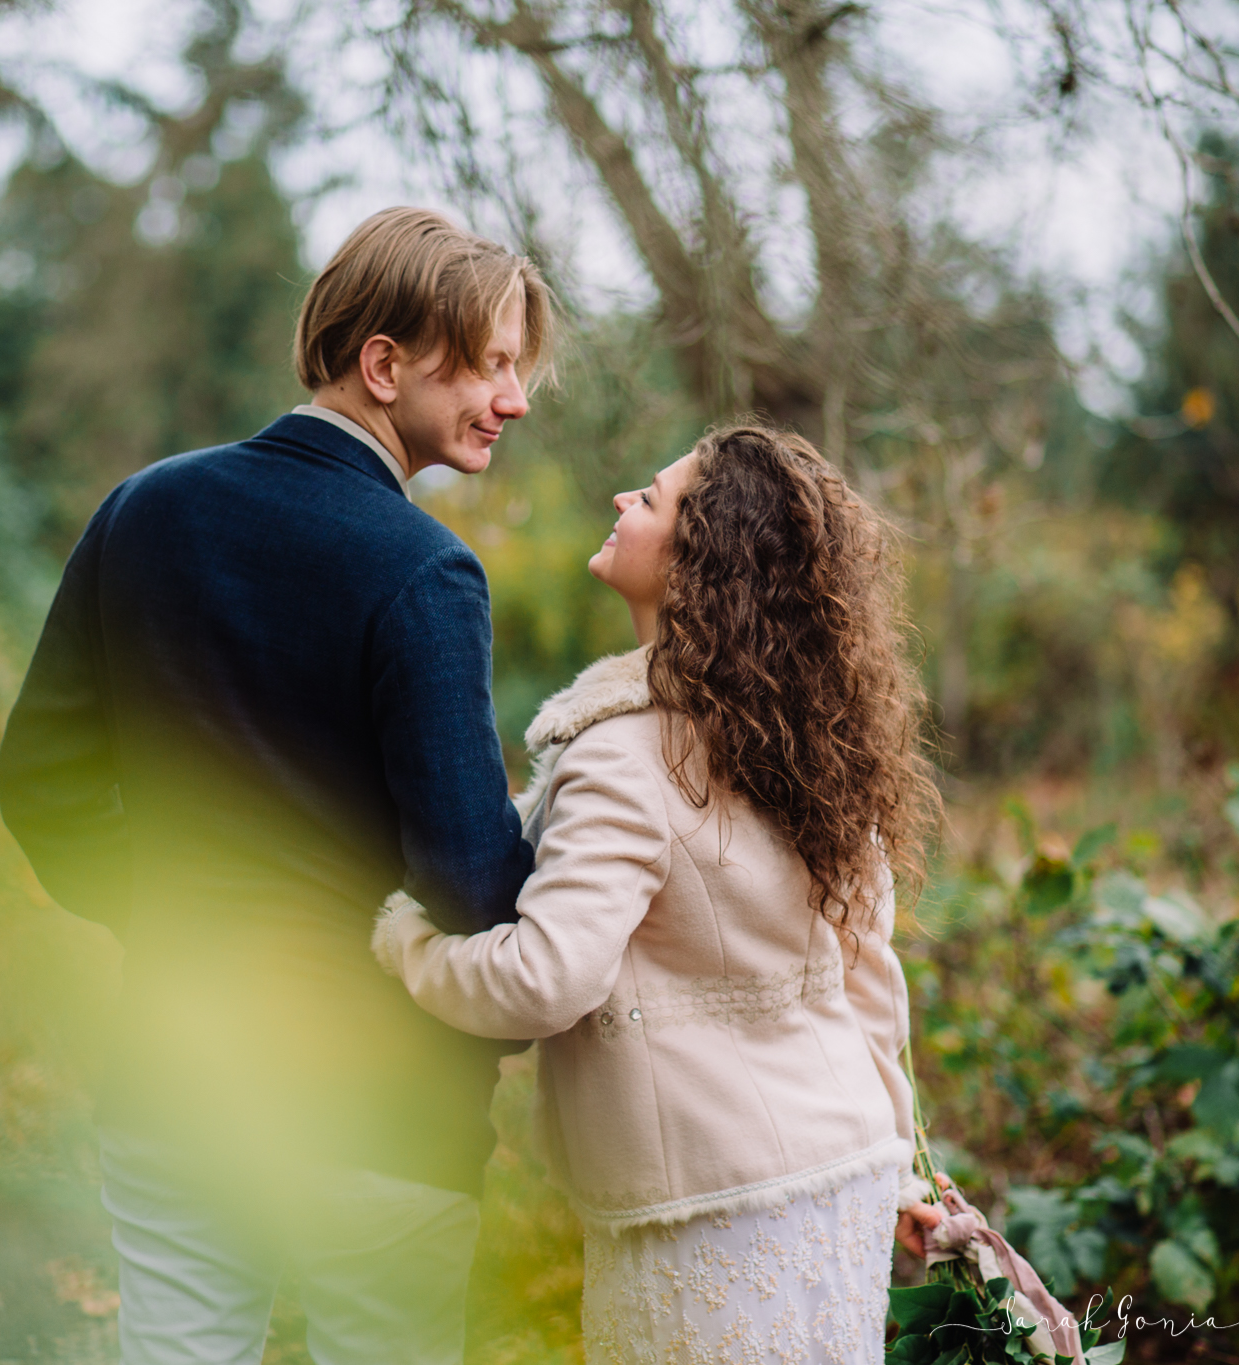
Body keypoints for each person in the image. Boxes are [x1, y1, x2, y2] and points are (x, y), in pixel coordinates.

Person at [0, 207, 555, 1365]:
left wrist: (165, 916)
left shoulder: (142, 509)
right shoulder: (423, 570)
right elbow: (466, 881)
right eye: (489, 364)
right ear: (384, 363)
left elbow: (38, 781)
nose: (513, 398)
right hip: (379, 1108)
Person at [374, 424, 947, 1364]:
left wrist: (405, 944)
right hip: (842, 1178)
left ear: (699, 563)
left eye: (648, 499)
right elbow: (870, 981)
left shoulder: (622, 750)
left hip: (710, 1214)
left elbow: (540, 980)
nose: (619, 503)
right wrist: (902, 1169)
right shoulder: (818, 739)